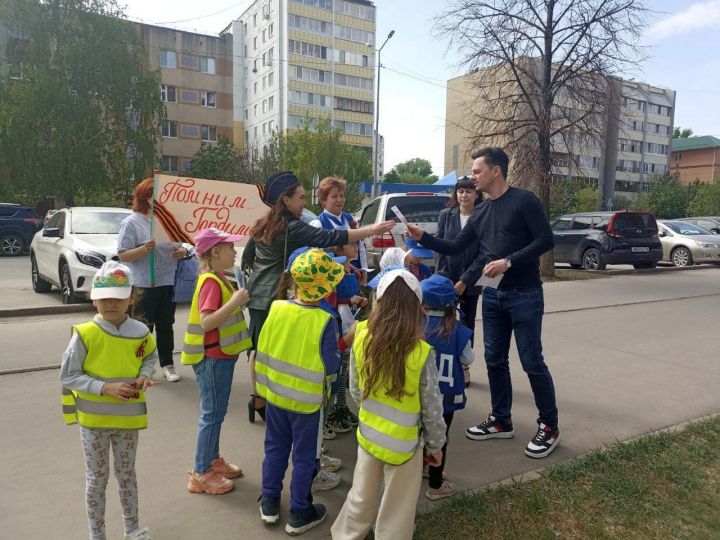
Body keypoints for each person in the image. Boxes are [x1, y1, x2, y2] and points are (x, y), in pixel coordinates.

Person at [406, 147, 560, 459]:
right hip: (492, 294)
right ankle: (502, 420)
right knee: (493, 359)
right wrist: (422, 236)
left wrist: (509, 262)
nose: (472, 176)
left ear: (495, 171)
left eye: (477, 171)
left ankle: (549, 426)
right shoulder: (482, 213)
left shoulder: (524, 201)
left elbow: (545, 240)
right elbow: (454, 246)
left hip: (525, 293)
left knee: (532, 360)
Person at [242, 171, 394, 422]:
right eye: (300, 197)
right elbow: (330, 237)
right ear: (285, 200)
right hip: (274, 297)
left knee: (260, 349)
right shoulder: (291, 226)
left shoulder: (264, 222)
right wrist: (371, 230)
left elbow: (248, 256)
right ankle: (279, 401)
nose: (304, 202)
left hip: (257, 295)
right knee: (278, 350)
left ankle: (258, 398)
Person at [331, 269, 446, 540]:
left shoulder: (361, 336)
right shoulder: (421, 353)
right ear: (417, 307)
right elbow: (432, 408)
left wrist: (371, 415)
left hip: (369, 437)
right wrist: (436, 445)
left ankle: (347, 535)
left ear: (377, 301)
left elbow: (355, 390)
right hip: (405, 447)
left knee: (360, 495)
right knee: (398, 508)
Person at [60, 261, 158, 540]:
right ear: (94, 300)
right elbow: (68, 376)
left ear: (131, 298)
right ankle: (97, 535)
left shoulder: (140, 331)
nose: (109, 304)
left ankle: (132, 529)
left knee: (127, 475)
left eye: (117, 297)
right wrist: (105, 388)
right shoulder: (85, 334)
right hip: (94, 423)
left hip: (127, 421)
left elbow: (149, 356)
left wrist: (145, 374)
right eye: (103, 298)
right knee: (96, 480)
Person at [256, 249, 344, 535]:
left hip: (275, 396)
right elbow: (331, 367)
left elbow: (264, 348)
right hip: (307, 404)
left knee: (274, 449)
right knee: (306, 457)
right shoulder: (324, 320)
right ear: (326, 287)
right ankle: (299, 510)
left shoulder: (277, 307)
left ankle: (269, 502)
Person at [181, 228, 252, 495]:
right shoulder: (211, 281)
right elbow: (208, 320)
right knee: (211, 414)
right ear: (215, 252)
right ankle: (201, 472)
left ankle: (212, 461)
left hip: (220, 356)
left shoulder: (219, 277)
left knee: (216, 413)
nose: (234, 251)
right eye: (230, 248)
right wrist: (235, 302)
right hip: (212, 357)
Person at [118, 178, 190, 382]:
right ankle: (140, 368)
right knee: (142, 327)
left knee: (166, 325)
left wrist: (183, 251)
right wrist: (143, 249)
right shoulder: (132, 222)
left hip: (168, 282)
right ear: (147, 198)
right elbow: (123, 254)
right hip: (143, 284)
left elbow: (186, 244)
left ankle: (167, 364)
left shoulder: (170, 220)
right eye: (157, 195)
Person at [420, 274, 475, 501]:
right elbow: (468, 358)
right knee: (440, 438)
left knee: (421, 433)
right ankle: (435, 484)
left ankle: (423, 467)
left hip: (420, 394)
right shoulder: (457, 329)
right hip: (446, 396)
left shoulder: (416, 326)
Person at [435, 176, 484, 387]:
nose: (464, 195)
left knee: (466, 324)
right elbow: (440, 247)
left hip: (471, 280)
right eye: (461, 191)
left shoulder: (483, 216)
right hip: (447, 278)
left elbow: (484, 252)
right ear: (456, 194)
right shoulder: (446, 215)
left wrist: (465, 280)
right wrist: (444, 278)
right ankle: (444, 363)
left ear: (477, 194)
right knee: (443, 321)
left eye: (469, 191)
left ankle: (464, 367)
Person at [324, 241, 367, 436]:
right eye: (351, 244)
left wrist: (359, 300)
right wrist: (349, 301)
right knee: (339, 369)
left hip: (350, 321)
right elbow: (332, 300)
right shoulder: (334, 272)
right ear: (338, 249)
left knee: (345, 370)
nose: (356, 247)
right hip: (340, 325)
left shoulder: (354, 271)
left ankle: (341, 407)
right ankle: (332, 412)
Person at [309, 176, 369, 283]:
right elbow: (316, 259)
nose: (339, 200)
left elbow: (361, 246)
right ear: (323, 200)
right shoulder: (318, 224)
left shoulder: (351, 219)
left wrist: (364, 270)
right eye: (334, 196)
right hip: (331, 281)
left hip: (354, 276)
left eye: (341, 195)